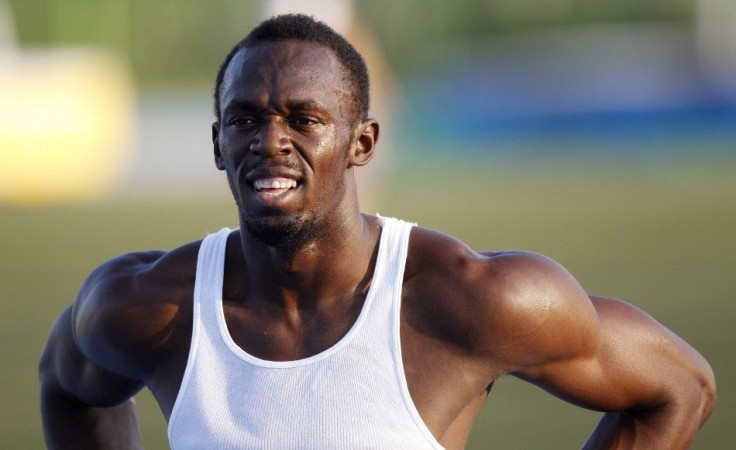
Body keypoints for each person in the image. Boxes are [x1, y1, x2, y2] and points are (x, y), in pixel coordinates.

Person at [39, 14, 716, 449]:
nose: (268, 142)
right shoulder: (147, 306)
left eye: (303, 120)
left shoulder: (473, 300)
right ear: (217, 144)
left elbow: (679, 386)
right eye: (244, 121)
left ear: (362, 143)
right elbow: (64, 385)